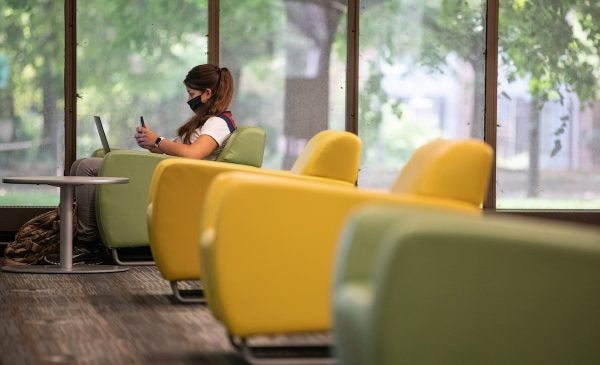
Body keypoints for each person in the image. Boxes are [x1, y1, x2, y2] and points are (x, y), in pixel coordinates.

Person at [44, 64, 236, 265]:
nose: (188, 99)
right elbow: (176, 149)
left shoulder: (219, 122)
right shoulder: (205, 122)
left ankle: (88, 245)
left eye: (190, 93)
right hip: (168, 172)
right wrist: (152, 143)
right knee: (79, 165)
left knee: (87, 167)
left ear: (207, 93)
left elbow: (193, 154)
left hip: (176, 180)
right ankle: (74, 239)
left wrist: (159, 140)